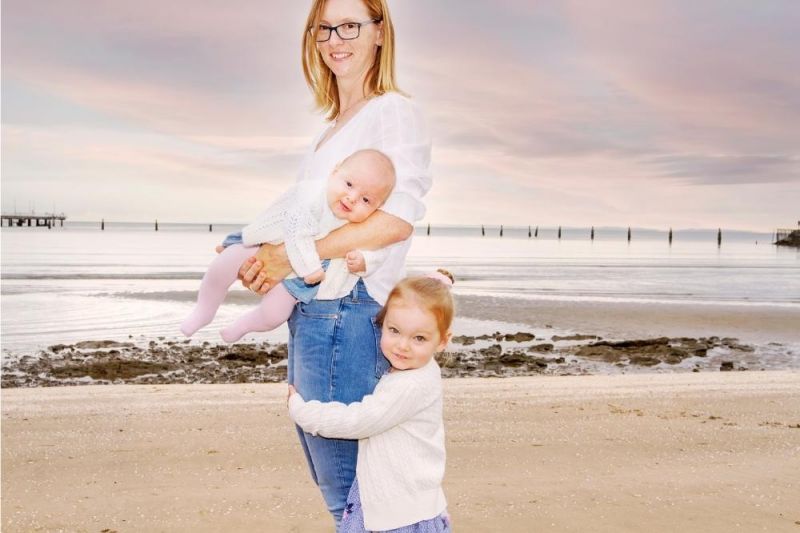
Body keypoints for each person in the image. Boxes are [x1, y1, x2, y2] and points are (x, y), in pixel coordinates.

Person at [232, 0, 432, 527]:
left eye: (350, 25)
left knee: (351, 490)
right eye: (323, 28)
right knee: (336, 486)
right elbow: (310, 222)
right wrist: (265, 262)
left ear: (380, 32)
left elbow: (397, 220)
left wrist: (291, 257)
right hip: (315, 310)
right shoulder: (334, 127)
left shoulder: (391, 111)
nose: (334, 39)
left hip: (348, 310)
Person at [288, 271, 454, 532]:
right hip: (404, 503)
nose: (402, 346)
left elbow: (359, 420)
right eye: (394, 330)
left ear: (443, 341)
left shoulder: (410, 385)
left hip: (401, 517)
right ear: (381, 324)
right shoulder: (418, 371)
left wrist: (301, 411)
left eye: (419, 338)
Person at [180, 149, 395, 343]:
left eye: (366, 200)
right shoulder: (312, 196)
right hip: (269, 242)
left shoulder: (365, 225)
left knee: (275, 314)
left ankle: (243, 325)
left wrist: (365, 261)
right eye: (349, 184)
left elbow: (380, 251)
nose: (352, 197)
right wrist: (310, 267)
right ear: (334, 172)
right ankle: (204, 311)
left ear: (378, 207)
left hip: (298, 281)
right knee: (223, 265)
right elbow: (296, 229)